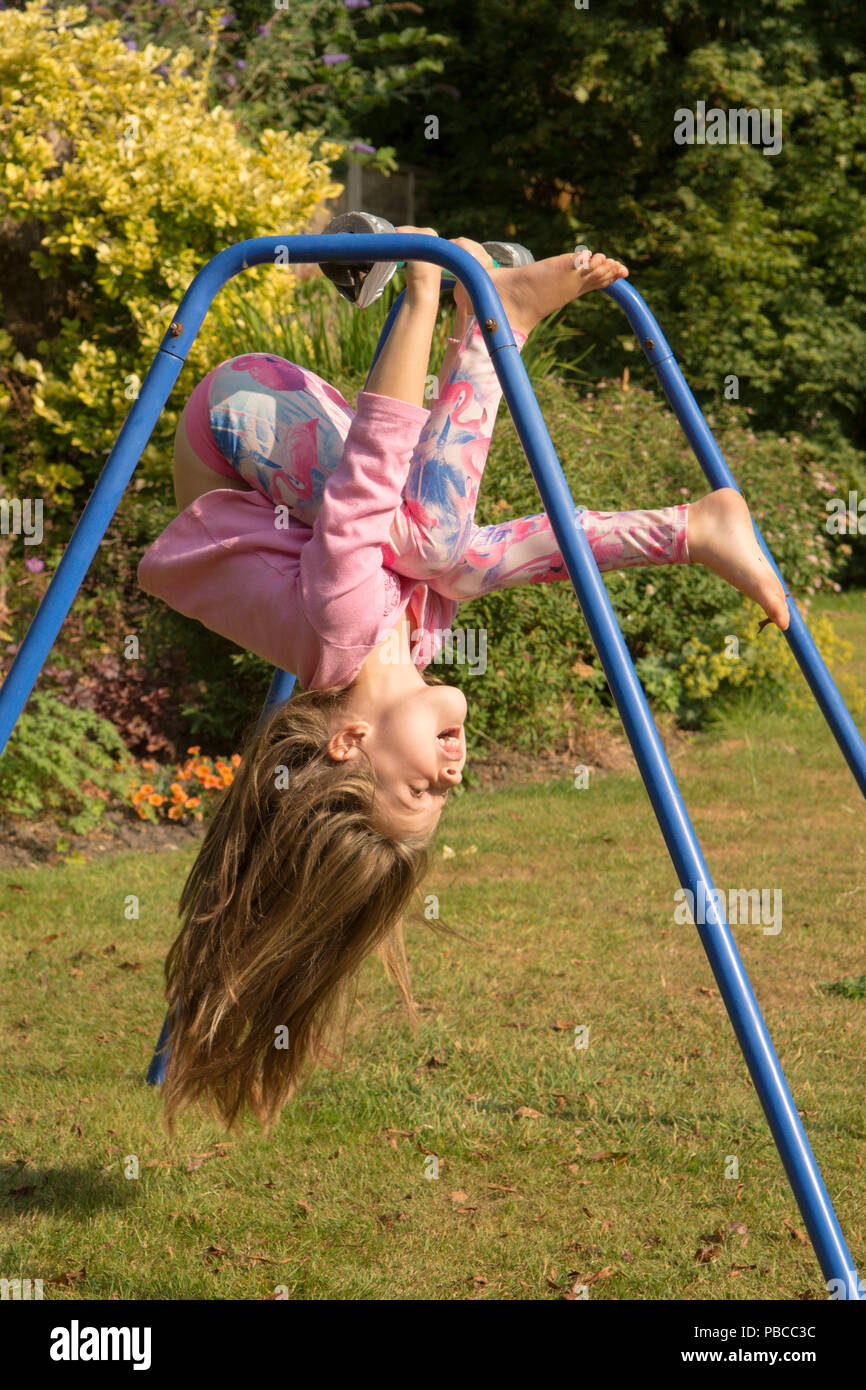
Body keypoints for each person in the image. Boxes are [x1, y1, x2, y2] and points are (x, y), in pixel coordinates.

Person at [138, 229, 790, 1130]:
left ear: (350, 740)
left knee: (431, 543)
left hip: (234, 420)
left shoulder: (342, 630)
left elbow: (371, 472)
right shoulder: (413, 634)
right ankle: (691, 525)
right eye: (447, 793)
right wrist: (674, 539)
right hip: (286, 472)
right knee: (462, 562)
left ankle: (497, 323)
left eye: (418, 786)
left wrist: (420, 295)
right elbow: (518, 543)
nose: (452, 776)